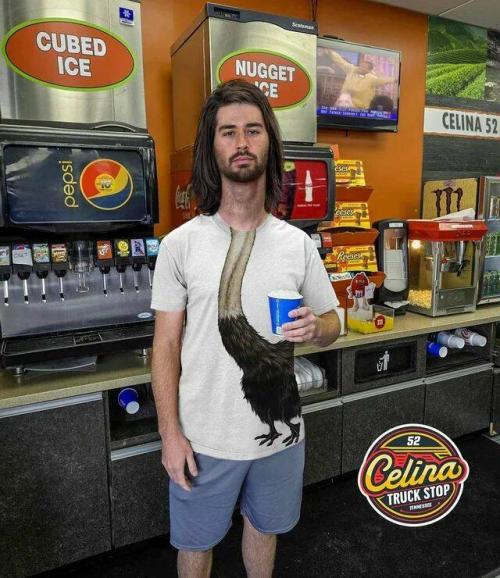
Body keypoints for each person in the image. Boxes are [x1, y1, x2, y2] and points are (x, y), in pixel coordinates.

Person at [151, 79, 340, 578]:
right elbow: (164, 345)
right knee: (196, 544)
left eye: (253, 130)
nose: (241, 142)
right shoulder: (180, 246)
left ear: (269, 144)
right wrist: (170, 434)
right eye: (228, 132)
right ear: (212, 148)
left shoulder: (296, 244)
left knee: (264, 529)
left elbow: (333, 322)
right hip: (205, 439)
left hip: (280, 435)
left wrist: (316, 327)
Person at [321, 49, 397, 110]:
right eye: (361, 66)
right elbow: (341, 62)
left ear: (369, 70)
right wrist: (331, 53)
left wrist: (395, 79)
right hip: (343, 103)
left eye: (364, 67)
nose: (360, 68)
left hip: (360, 108)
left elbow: (383, 80)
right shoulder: (352, 69)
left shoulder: (372, 79)